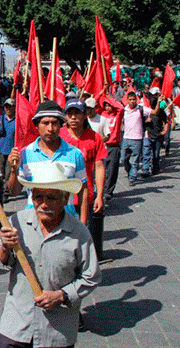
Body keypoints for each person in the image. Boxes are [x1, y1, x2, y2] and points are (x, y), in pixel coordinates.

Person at [0, 162, 101, 348]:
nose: (43, 204)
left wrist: (62, 296)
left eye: (51, 197)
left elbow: (91, 276)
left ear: (65, 198)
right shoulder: (16, 222)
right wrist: (4, 247)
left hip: (56, 332)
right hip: (16, 326)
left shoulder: (79, 233)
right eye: (38, 197)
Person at [7, 100, 89, 225]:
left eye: (54, 123)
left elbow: (83, 191)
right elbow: (14, 192)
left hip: (66, 221)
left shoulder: (75, 154)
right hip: (33, 221)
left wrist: (82, 224)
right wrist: (14, 170)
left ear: (61, 125)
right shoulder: (25, 154)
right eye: (45, 123)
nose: (50, 128)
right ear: (37, 125)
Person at [60, 99, 107, 259]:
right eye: (69, 114)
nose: (73, 118)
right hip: (61, 197)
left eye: (77, 114)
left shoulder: (94, 137)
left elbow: (100, 167)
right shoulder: (59, 136)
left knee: (83, 236)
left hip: (85, 198)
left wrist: (100, 195)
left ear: (84, 115)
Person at [122, 91, 151, 186]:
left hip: (137, 139)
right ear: (127, 100)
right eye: (130, 100)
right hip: (126, 138)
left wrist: (159, 102)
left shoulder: (141, 109)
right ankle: (130, 171)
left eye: (134, 99)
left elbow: (154, 112)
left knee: (135, 160)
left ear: (136, 100)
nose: (132, 101)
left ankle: (132, 178)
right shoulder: (124, 110)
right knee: (124, 159)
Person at [101, 100, 123, 201]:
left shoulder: (117, 115)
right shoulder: (102, 114)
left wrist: (109, 97)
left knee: (111, 170)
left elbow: (121, 108)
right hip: (102, 145)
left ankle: (108, 191)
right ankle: (101, 190)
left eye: (109, 105)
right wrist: (102, 92)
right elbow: (94, 105)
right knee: (101, 170)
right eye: (106, 105)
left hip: (113, 146)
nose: (107, 108)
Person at [143, 94, 169, 175]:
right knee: (146, 153)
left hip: (158, 135)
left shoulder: (161, 112)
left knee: (156, 154)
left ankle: (155, 167)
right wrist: (146, 121)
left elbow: (166, 122)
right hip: (148, 135)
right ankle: (146, 170)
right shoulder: (147, 111)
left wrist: (165, 130)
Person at [0, 98, 16, 198]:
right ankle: (2, 188)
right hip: (1, 150)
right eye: (6, 107)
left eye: (10, 107)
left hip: (11, 150)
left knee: (8, 172)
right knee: (1, 172)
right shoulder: (0, 119)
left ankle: (6, 192)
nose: (8, 109)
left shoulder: (16, 121)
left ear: (14, 108)